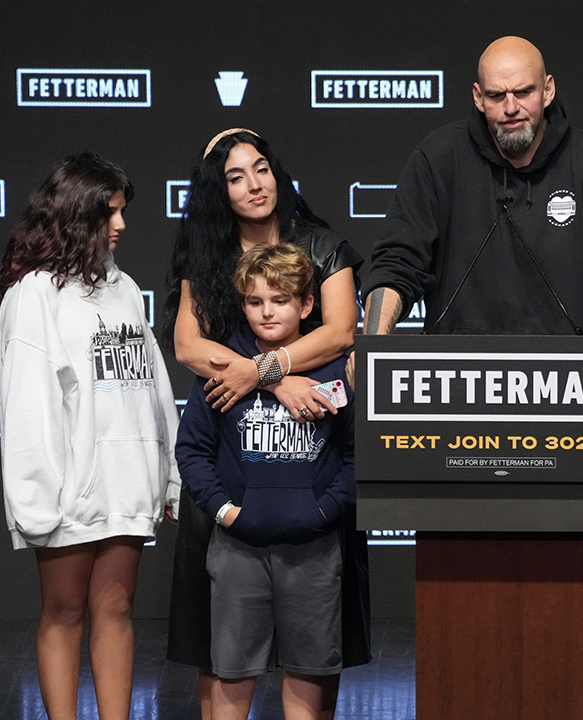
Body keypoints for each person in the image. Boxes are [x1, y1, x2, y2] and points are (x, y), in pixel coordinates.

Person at [162, 128, 369, 718]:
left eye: (261, 169)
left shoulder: (323, 246)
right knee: (221, 650)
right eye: (235, 177)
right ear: (217, 191)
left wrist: (262, 368)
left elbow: (340, 333)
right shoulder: (206, 256)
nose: (254, 185)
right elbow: (188, 346)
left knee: (316, 650)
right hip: (232, 474)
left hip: (313, 476)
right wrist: (274, 380)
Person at [360, 36, 583, 386]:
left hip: (575, 380)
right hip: (458, 378)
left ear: (547, 91)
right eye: (496, 96)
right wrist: (372, 346)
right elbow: (397, 263)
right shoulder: (438, 159)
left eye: (523, 92)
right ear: (478, 97)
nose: (510, 108)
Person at [0, 152, 181, 720]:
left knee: (116, 611)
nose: (121, 225)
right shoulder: (34, 293)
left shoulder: (123, 288)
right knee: (66, 612)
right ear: (76, 216)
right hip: (68, 493)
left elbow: (152, 387)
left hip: (127, 486)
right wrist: (37, 499)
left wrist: (170, 472)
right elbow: (28, 402)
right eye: (109, 213)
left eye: (123, 211)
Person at [176, 242, 355, 720]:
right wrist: (225, 511)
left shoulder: (335, 368)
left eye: (279, 300)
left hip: (314, 551)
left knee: (307, 674)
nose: (267, 312)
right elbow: (192, 451)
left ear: (307, 304)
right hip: (238, 550)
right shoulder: (224, 368)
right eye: (255, 301)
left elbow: (357, 454)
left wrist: (325, 509)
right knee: (231, 675)